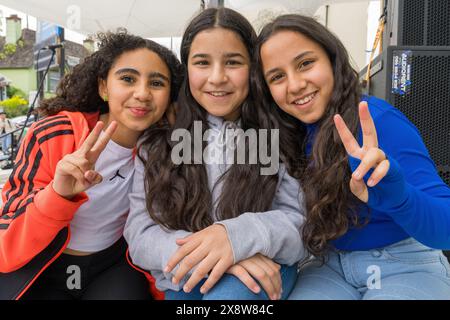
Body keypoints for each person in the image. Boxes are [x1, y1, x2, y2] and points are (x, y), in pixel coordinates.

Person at [254, 14, 450, 300]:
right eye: (277, 76)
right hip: (327, 267)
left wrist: (400, 197)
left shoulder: (378, 120)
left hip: (403, 264)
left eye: (305, 63)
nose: (295, 85)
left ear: (332, 60)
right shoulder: (285, 134)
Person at [124, 7, 306, 300]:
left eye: (233, 62)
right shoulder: (158, 141)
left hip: (266, 267)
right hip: (186, 273)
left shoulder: (281, 132)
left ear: (253, 67)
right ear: (187, 69)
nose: (217, 77)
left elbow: (302, 224)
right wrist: (214, 254)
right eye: (202, 63)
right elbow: (140, 233)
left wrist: (236, 238)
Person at [0, 30, 182, 300]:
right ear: (103, 87)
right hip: (42, 265)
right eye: (128, 79)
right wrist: (59, 194)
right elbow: (7, 237)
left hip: (112, 266)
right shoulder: (53, 133)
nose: (142, 93)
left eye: (156, 83)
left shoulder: (163, 148)